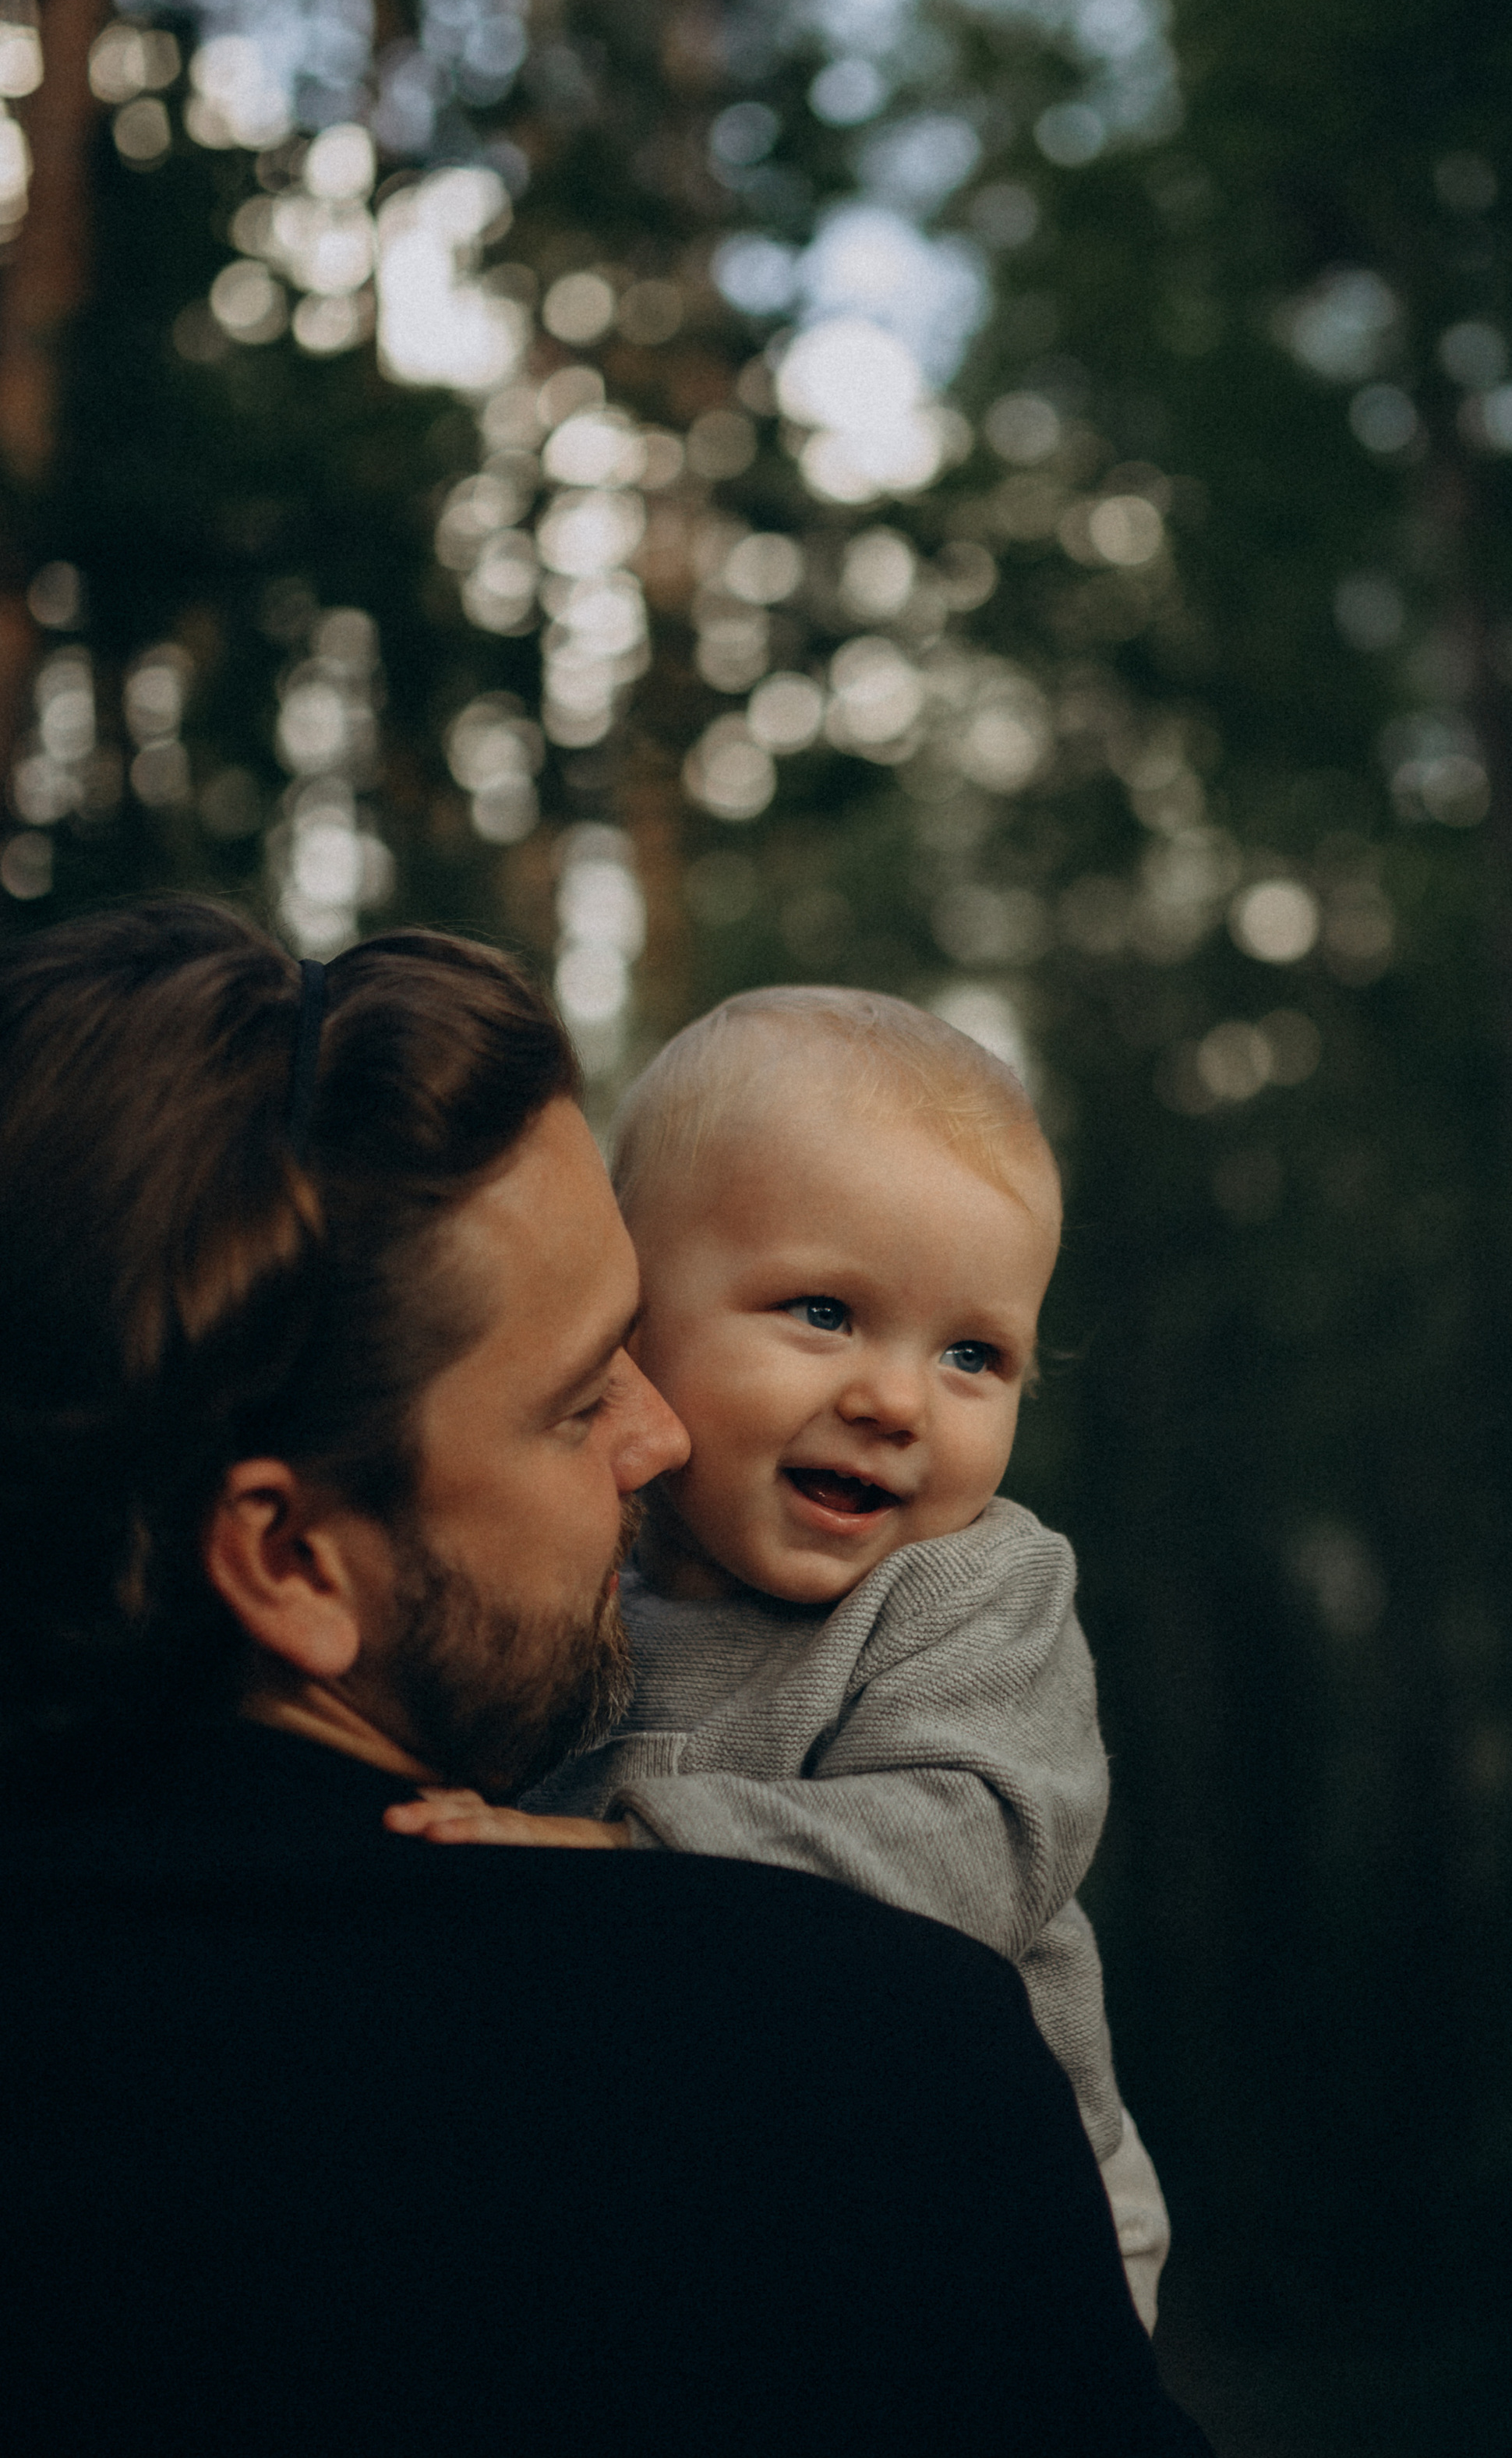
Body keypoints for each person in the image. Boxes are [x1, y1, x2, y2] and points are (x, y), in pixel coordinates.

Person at [0, 900, 1285, 2458]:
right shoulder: (869, 2068)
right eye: (571, 1394)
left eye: (975, 1355)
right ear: (289, 1555)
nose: (657, 1433)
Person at [390, 985, 1172, 2325]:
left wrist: (637, 1859)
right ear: (633, 1317)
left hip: (998, 2234)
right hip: (704, 2200)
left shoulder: (974, 1587)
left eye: (973, 1353)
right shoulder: (569, 1582)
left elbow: (971, 1850)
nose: (893, 1399)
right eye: (822, 1311)